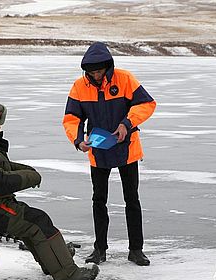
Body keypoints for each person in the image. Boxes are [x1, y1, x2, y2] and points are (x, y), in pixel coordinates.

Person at [0, 97, 99, 280]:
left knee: (29, 221)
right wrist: (30, 178)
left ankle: (53, 260)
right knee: (37, 222)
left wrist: (26, 171)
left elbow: (0, 166)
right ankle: (67, 275)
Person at [62, 42, 156, 266]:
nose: (95, 75)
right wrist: (77, 140)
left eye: (99, 70)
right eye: (91, 71)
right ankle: (100, 250)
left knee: (132, 199)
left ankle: (136, 250)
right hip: (99, 150)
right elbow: (72, 118)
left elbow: (146, 103)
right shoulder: (79, 86)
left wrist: (127, 123)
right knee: (99, 200)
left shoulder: (124, 79)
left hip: (127, 148)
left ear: (108, 66)